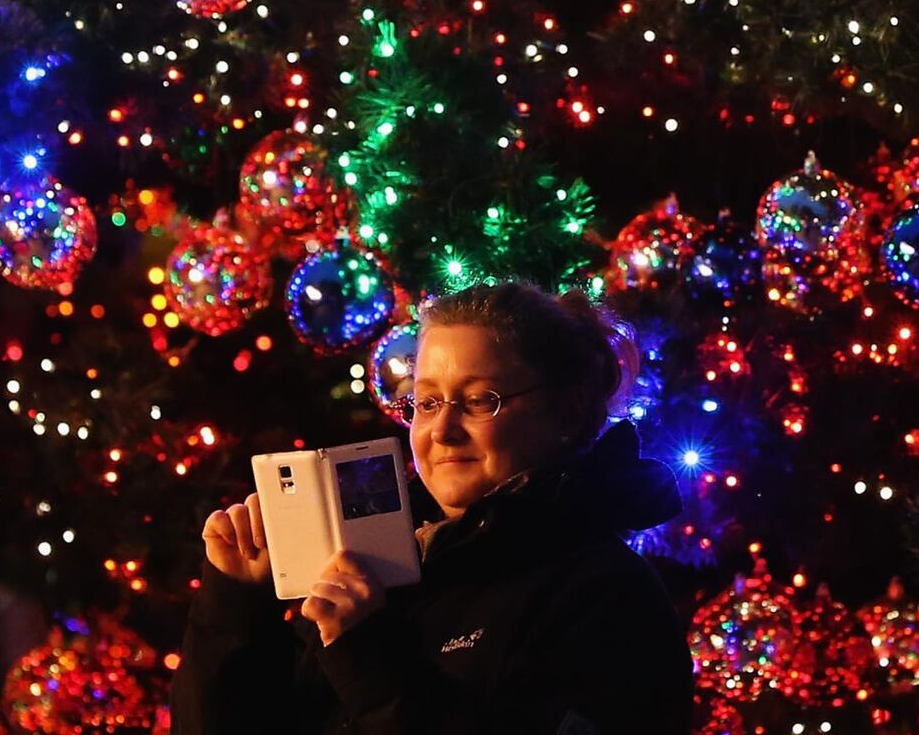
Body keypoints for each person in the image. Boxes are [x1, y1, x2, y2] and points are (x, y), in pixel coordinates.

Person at [173, 281, 692, 735]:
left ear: (568, 408)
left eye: (478, 400)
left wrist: (368, 657)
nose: (440, 431)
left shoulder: (605, 595)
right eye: (426, 402)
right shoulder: (380, 564)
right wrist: (235, 608)